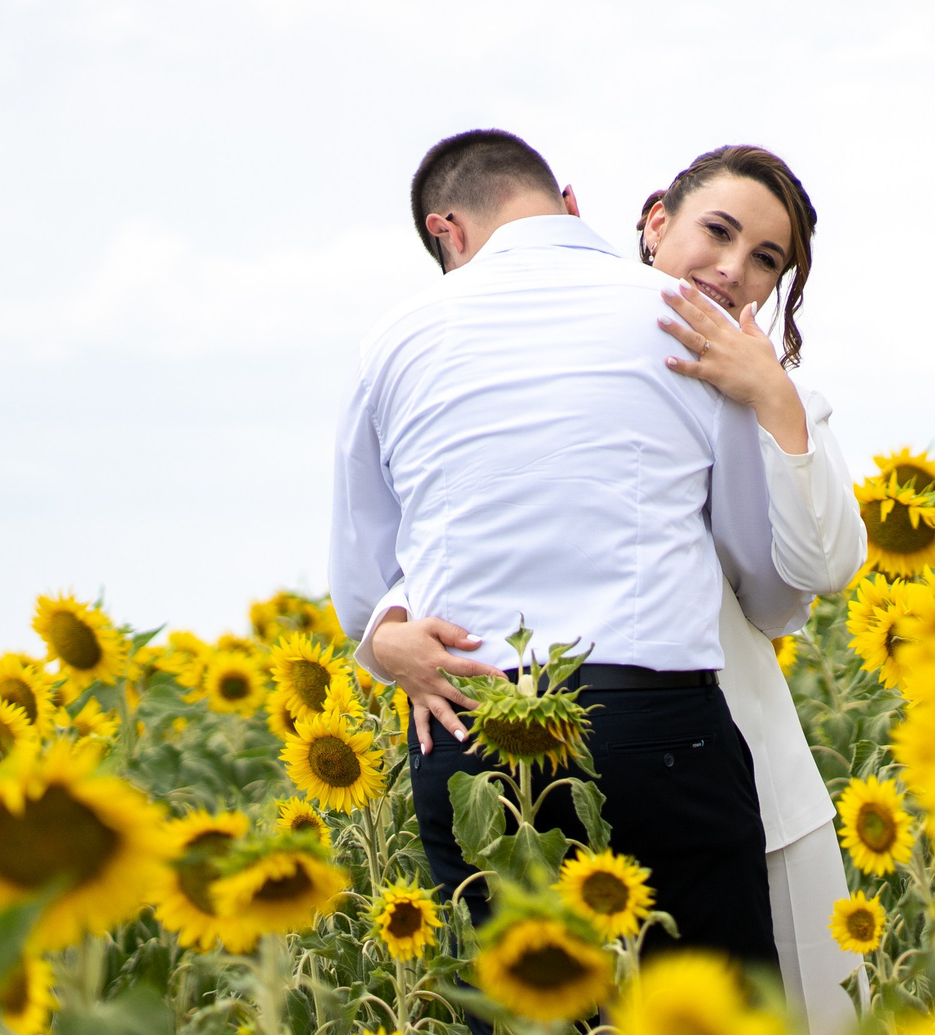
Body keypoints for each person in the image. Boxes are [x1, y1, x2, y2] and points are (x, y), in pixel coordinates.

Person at [329, 128, 805, 970]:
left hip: (470, 724)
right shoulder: (684, 318)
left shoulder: (394, 340)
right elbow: (762, 579)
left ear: (448, 233)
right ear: (570, 205)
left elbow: (363, 593)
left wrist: (389, 629)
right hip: (653, 719)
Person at [636, 146, 868, 1035]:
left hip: (759, 787)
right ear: (657, 221)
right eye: (718, 231)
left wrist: (770, 395)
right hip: (601, 779)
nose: (735, 269)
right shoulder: (563, 384)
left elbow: (815, 573)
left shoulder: (783, 401)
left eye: (767, 259)